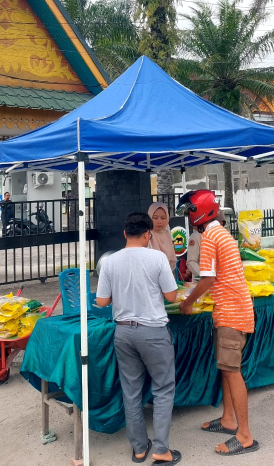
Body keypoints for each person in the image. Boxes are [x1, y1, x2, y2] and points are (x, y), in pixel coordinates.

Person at [176, 190, 259, 457]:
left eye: (189, 211)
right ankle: (228, 419)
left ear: (198, 212)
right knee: (227, 368)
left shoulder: (210, 237)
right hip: (233, 310)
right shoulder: (220, 233)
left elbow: (208, 278)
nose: (188, 217)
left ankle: (244, 435)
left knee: (233, 371)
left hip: (232, 314)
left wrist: (188, 302)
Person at [96, 213, 182, 466]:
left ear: (125, 233)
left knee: (131, 391)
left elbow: (101, 301)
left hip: (123, 333)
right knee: (164, 388)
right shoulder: (156, 258)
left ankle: (139, 448)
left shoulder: (111, 262)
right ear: (148, 234)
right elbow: (172, 296)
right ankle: (161, 449)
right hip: (153, 331)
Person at [186, 210, 225, 279]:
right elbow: (191, 261)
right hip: (201, 281)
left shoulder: (223, 236)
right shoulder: (197, 236)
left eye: (222, 225)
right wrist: (203, 277)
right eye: (218, 224)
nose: (220, 227)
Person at [147, 202, 177, 272]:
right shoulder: (146, 236)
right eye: (155, 218)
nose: (159, 221)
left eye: (163, 218)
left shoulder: (168, 235)